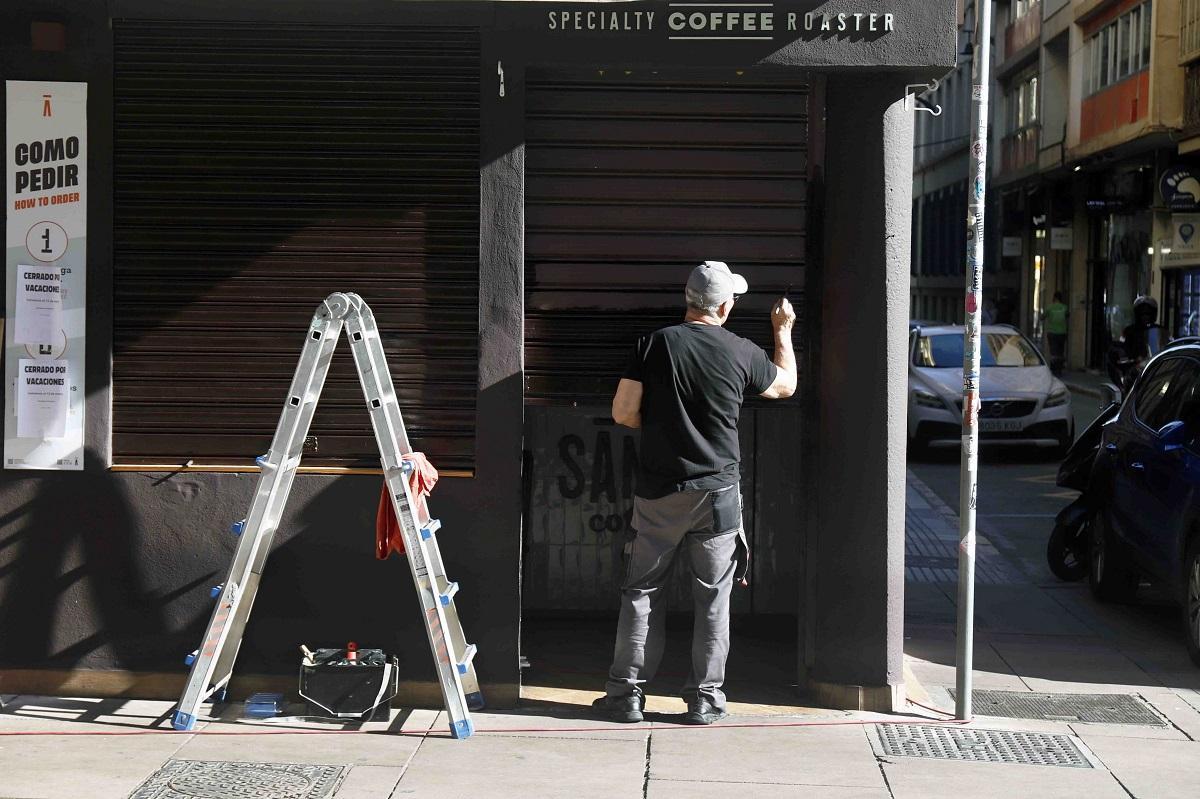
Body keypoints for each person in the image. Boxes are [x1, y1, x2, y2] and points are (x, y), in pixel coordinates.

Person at [593, 260, 797, 726]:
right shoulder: (741, 351)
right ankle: (705, 700)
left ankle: (625, 697)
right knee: (713, 598)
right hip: (718, 496)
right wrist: (782, 330)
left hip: (658, 492)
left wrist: (665, 424)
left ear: (689, 300)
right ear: (725, 306)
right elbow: (785, 387)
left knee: (641, 592)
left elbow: (624, 414)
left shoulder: (652, 344)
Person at [1044, 292, 1069, 375]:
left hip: (1052, 332)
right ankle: (1059, 369)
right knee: (1060, 351)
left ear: (1054, 298)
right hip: (1062, 332)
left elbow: (1042, 316)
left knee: (1053, 352)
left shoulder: (1049, 307)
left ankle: (1054, 369)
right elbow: (1067, 315)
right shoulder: (1064, 307)